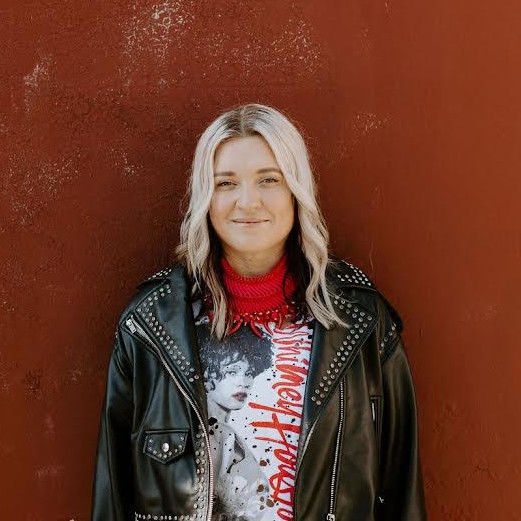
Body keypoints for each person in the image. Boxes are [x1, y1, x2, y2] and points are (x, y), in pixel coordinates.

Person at [91, 103, 428, 521]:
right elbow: (113, 495)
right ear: (206, 198)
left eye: (269, 179)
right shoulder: (151, 325)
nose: (247, 202)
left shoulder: (359, 320)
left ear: (296, 191)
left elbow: (401, 489)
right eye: (226, 183)